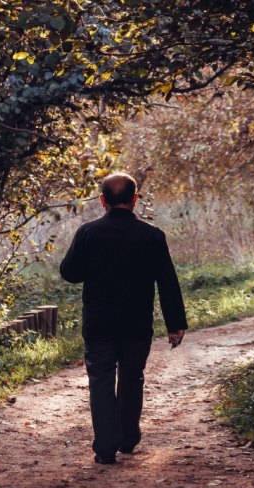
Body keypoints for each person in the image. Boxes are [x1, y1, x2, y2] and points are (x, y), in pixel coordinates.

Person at [60, 172, 187, 465]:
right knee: (132, 378)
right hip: (136, 324)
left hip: (99, 324)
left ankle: (105, 447)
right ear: (135, 199)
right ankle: (128, 438)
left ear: (103, 200)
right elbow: (167, 281)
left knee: (101, 381)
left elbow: (69, 273)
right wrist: (175, 323)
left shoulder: (88, 232)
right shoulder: (152, 235)